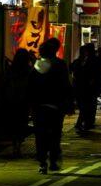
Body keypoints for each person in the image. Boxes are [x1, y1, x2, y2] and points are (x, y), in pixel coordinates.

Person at [28, 38, 73, 174]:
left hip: (39, 106)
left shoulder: (37, 66)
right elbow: (66, 85)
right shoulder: (60, 64)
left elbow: (31, 87)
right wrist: (69, 103)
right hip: (56, 106)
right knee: (55, 134)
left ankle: (42, 162)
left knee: (40, 135)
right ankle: (53, 160)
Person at [2, 48, 34, 158]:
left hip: (11, 100)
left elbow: (5, 85)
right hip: (24, 101)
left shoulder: (10, 70)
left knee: (13, 123)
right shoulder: (29, 71)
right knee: (22, 123)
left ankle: (15, 143)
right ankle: (18, 145)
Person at [71, 43, 101, 133]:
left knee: (85, 106)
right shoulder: (81, 61)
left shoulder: (89, 60)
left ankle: (83, 123)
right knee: (85, 106)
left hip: (85, 88)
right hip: (83, 87)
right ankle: (83, 123)